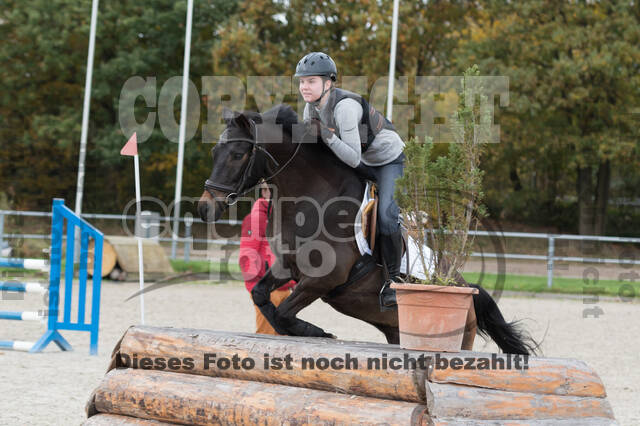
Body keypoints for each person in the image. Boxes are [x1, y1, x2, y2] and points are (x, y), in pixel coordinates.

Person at [295, 51, 405, 308]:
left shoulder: (345, 108)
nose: (304, 87)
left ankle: (393, 283)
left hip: (388, 162)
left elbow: (354, 158)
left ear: (328, 82)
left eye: (310, 81)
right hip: (359, 161)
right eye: (301, 81)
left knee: (387, 216)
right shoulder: (309, 108)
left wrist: (327, 135)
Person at [239, 182, 297, 334]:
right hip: (267, 289)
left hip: (283, 288)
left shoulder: (281, 218)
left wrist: (293, 282)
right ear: (264, 192)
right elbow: (247, 255)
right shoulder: (256, 218)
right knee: (266, 338)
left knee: (282, 338)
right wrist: (257, 289)